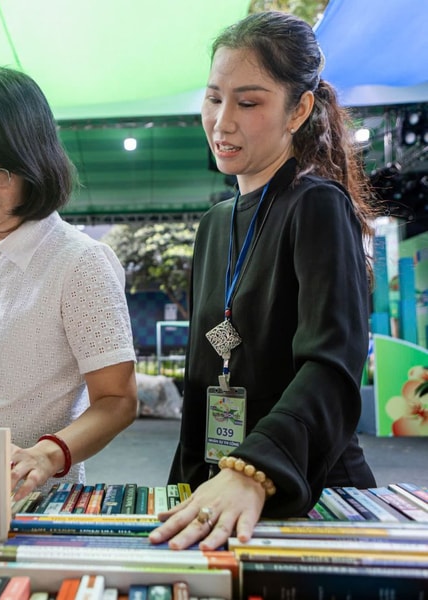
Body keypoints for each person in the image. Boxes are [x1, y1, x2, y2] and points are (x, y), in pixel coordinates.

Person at [149, 11, 377, 551]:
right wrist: (185, 484)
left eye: (248, 102)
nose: (222, 121)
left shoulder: (316, 205)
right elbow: (209, 367)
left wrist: (254, 468)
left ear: (298, 109)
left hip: (306, 490)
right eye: (213, 98)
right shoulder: (213, 225)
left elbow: (331, 366)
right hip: (222, 489)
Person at [0, 66, 139, 501]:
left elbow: (118, 400)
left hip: (32, 499)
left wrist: (48, 455)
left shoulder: (79, 262)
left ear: (34, 159)